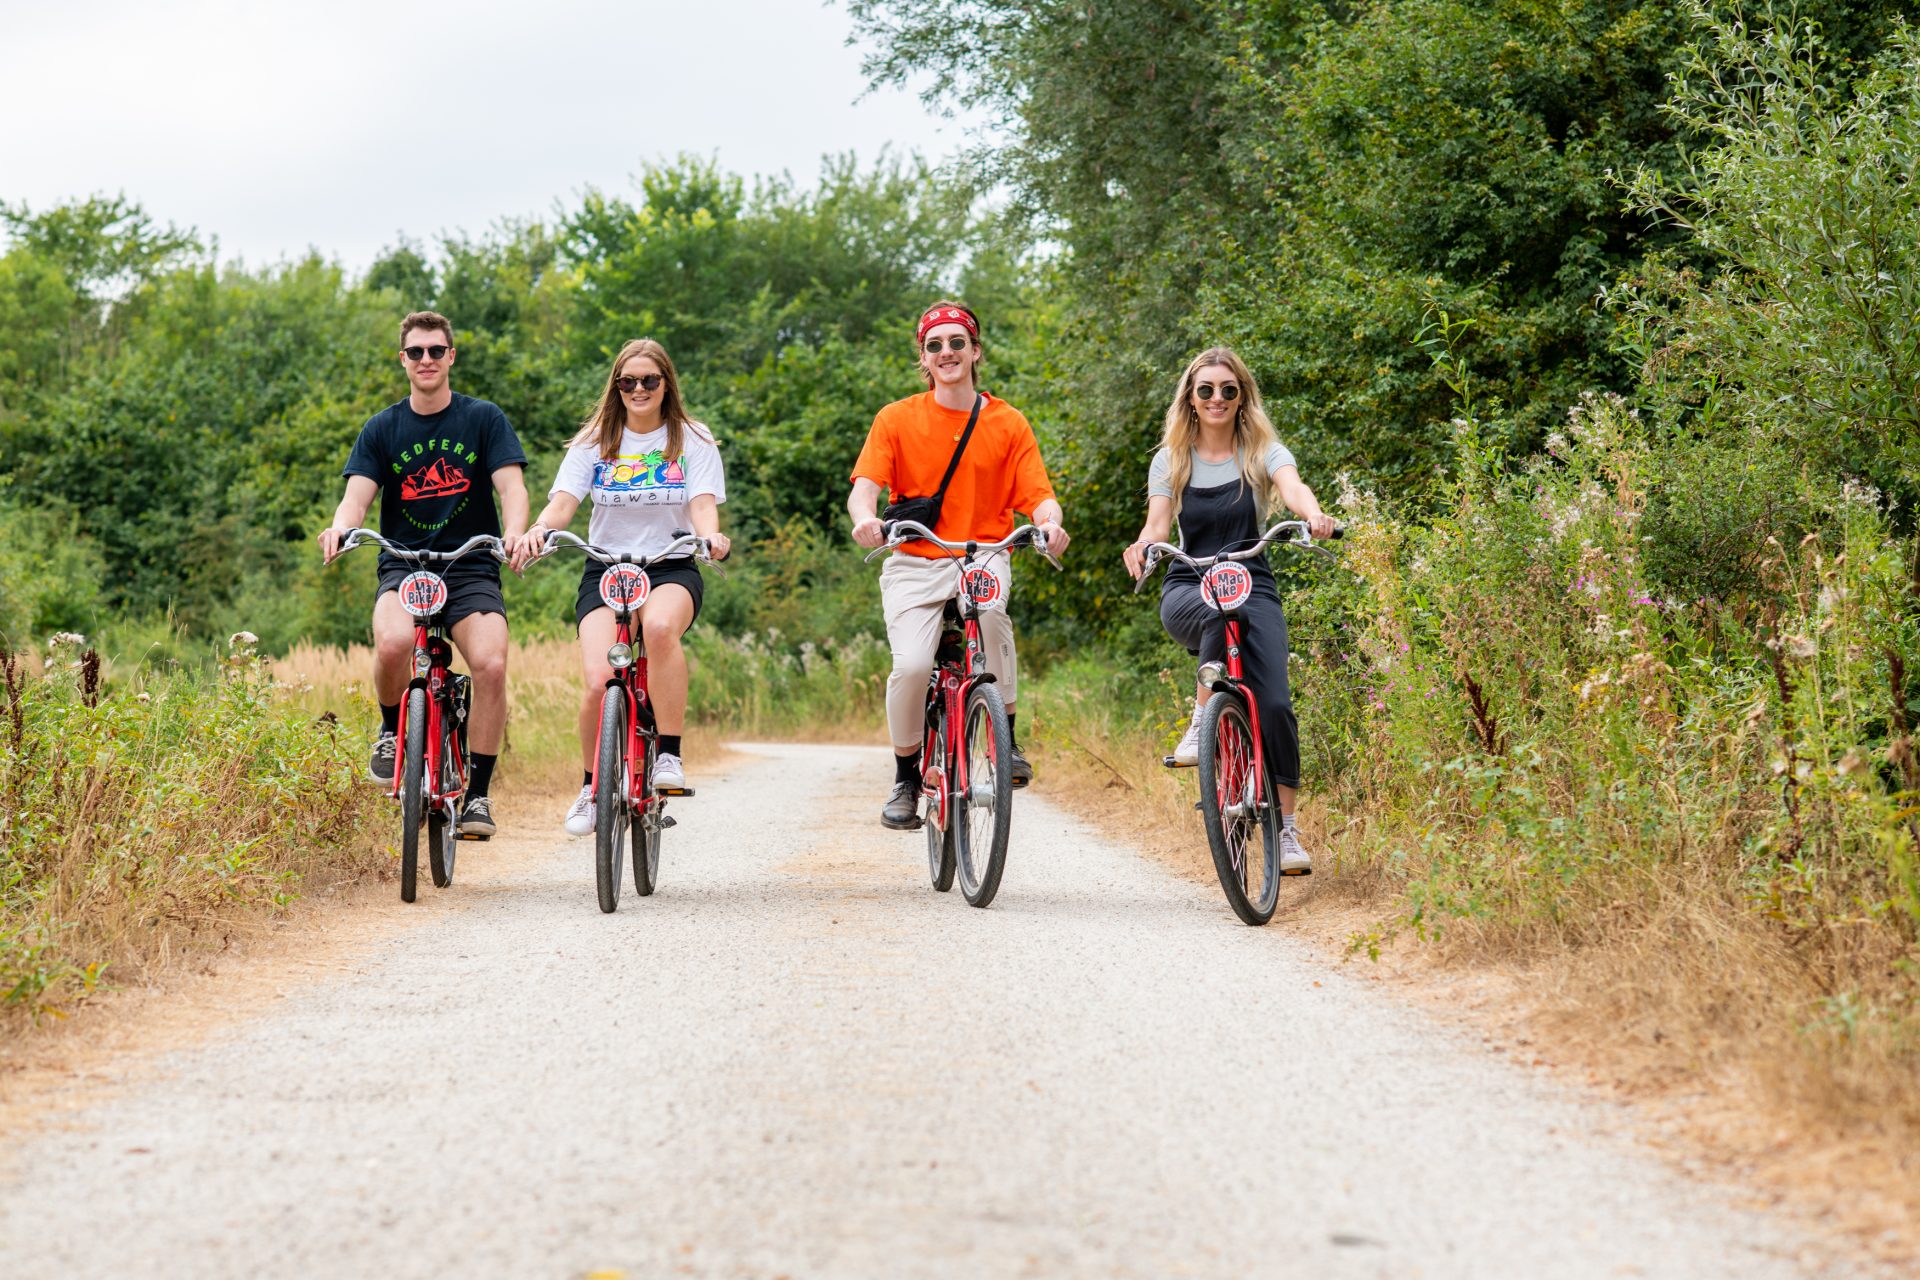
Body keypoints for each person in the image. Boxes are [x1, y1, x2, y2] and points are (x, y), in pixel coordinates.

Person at [849, 300, 1069, 829]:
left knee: (992, 617)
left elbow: (1039, 496)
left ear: (975, 352)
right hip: (916, 558)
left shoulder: (1008, 422)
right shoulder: (896, 419)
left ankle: (1006, 740)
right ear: (923, 358)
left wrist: (1050, 525)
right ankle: (906, 775)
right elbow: (864, 490)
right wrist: (865, 520)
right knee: (912, 667)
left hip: (984, 552)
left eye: (956, 343)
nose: (946, 353)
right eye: (934, 346)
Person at [1122, 347, 1335, 874]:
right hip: (1189, 584)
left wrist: (1313, 514)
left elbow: (1294, 488)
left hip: (1253, 583)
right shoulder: (1171, 458)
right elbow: (1157, 523)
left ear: (1242, 398)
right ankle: (1202, 719)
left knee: (1278, 706)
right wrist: (1144, 546)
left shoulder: (1262, 449)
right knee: (1219, 608)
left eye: (1228, 390)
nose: (1217, 398)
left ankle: (1285, 831)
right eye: (1206, 390)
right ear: (1191, 399)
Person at [506, 338, 729, 835]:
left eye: (650, 380)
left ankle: (667, 753)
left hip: (670, 563)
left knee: (662, 627)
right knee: (597, 680)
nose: (639, 389)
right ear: (617, 387)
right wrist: (541, 530)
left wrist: (710, 536)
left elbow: (703, 505)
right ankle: (591, 787)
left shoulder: (691, 437)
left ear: (666, 384)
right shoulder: (595, 440)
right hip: (605, 567)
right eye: (628, 382)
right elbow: (563, 504)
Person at [319, 310, 529, 837]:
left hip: (470, 565)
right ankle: (392, 733)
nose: (427, 360)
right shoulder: (383, 428)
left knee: (491, 664)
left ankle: (478, 796)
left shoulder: (483, 419)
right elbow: (355, 499)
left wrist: (516, 532)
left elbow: (512, 488)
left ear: (451, 356)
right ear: (404, 360)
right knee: (392, 645)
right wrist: (341, 529)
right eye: (417, 352)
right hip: (404, 565)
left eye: (437, 350)